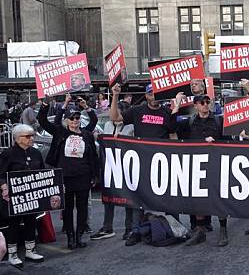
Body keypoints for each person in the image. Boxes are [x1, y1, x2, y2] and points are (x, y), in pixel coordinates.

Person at [96, 83, 179, 244]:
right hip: (141, 162)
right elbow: (115, 118)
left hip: (162, 162)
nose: (153, 96)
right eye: (150, 94)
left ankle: (174, 227)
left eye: (156, 93)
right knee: (138, 197)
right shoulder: (137, 111)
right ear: (146, 96)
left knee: (168, 196)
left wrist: (174, 157)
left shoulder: (167, 112)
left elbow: (173, 135)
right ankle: (135, 230)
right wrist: (115, 95)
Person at [38, 101, 98, 250]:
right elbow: (42, 120)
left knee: (82, 208)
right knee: (68, 208)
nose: (75, 121)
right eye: (72, 118)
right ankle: (70, 237)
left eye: (77, 118)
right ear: (67, 121)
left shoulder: (87, 134)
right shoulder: (61, 133)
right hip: (65, 177)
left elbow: (94, 120)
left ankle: (79, 236)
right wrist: (47, 104)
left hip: (83, 176)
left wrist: (86, 107)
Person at [176, 94, 229, 247]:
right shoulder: (190, 122)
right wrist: (178, 104)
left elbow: (229, 142)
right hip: (197, 165)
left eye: (208, 102)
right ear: (196, 105)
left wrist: (216, 142)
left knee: (219, 197)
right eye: (202, 102)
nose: (206, 105)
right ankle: (200, 231)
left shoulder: (219, 120)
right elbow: (173, 128)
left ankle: (223, 230)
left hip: (216, 165)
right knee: (198, 198)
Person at [0, 124, 46, 266]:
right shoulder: (8, 154)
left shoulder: (36, 152)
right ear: (17, 138)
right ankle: (12, 254)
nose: (31, 138)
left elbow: (43, 172)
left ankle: (30, 250)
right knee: (13, 224)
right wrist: (4, 187)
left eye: (32, 135)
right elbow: (1, 174)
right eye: (27, 136)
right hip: (14, 197)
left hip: (32, 195)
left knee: (31, 222)